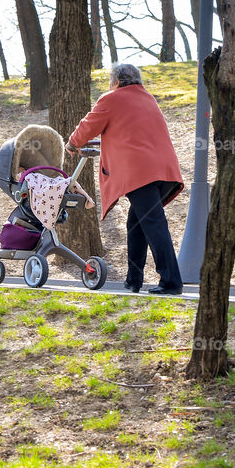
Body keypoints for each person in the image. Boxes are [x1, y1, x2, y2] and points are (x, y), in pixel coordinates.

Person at [66, 63, 185, 295]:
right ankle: (133, 280)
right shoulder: (148, 99)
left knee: (154, 224)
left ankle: (172, 282)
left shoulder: (112, 99)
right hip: (165, 171)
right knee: (137, 224)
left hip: (141, 173)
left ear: (117, 82)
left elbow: (88, 126)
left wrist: (72, 143)